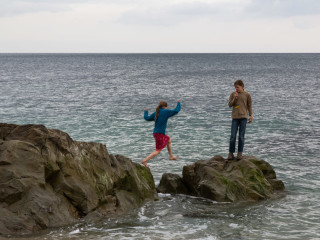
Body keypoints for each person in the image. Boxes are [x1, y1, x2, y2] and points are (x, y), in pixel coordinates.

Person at [141, 100, 181, 168]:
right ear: (165, 106)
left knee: (168, 140)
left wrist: (146, 111)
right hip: (159, 134)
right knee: (158, 151)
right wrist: (178, 103)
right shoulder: (166, 111)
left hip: (156, 133)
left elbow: (147, 118)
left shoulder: (156, 113)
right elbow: (176, 110)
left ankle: (171, 156)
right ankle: (145, 160)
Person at [228, 80, 253, 160]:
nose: (236, 89)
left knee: (241, 137)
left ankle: (239, 154)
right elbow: (230, 105)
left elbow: (249, 106)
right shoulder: (233, 94)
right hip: (235, 118)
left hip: (243, 118)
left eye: (237, 87)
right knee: (233, 136)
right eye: (235, 87)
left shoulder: (247, 95)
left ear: (242, 86)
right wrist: (235, 98)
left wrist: (251, 115)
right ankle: (231, 153)